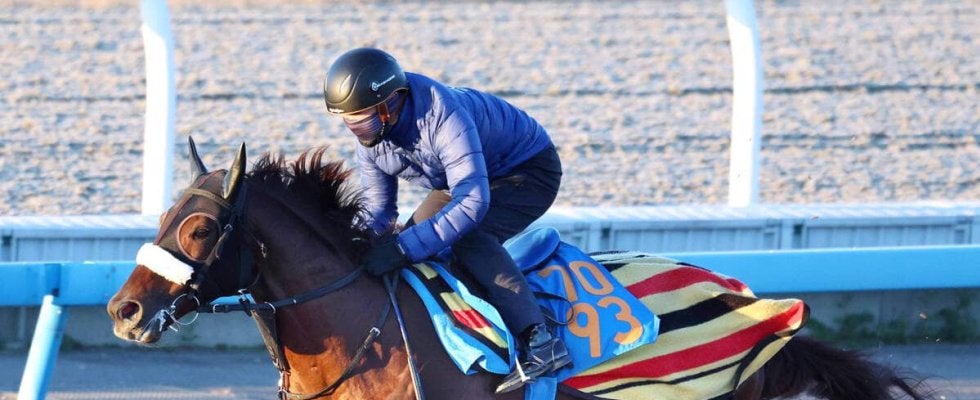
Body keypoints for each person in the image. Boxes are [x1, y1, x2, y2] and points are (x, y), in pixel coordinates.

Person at [323, 47, 570, 393]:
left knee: (469, 238)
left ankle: (541, 342)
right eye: (348, 121)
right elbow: (379, 213)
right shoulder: (371, 141)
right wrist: (358, 250)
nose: (356, 130)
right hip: (461, 181)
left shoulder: (443, 115)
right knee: (414, 243)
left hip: (526, 171)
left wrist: (403, 248)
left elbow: (472, 203)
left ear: (388, 104)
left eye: (360, 118)